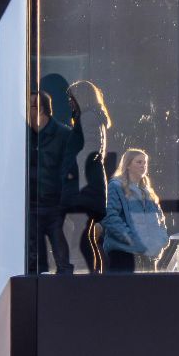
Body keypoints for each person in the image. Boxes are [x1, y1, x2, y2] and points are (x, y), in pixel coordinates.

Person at [64, 78, 111, 271]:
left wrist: (72, 170)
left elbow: (92, 148)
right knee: (87, 235)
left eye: (72, 98)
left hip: (86, 185)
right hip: (90, 183)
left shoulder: (88, 118)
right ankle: (95, 275)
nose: (69, 102)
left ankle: (93, 277)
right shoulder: (92, 117)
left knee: (83, 236)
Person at [26, 93, 75, 275]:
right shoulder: (22, 134)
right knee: (34, 261)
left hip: (55, 205)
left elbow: (71, 171)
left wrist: (66, 202)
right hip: (31, 205)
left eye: (30, 106)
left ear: (41, 109)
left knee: (62, 259)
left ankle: (66, 296)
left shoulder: (63, 135)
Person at [102, 147, 169, 273]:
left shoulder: (148, 192)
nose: (143, 165)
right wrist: (135, 242)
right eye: (139, 162)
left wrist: (159, 243)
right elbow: (111, 218)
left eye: (145, 162)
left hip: (148, 256)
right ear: (127, 165)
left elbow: (160, 222)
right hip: (123, 255)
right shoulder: (115, 186)